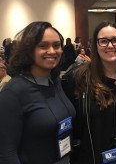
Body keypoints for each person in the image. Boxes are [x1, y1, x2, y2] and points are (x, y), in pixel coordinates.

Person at [62, 20, 116, 164]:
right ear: (95, 45)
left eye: (115, 40)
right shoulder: (77, 78)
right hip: (89, 158)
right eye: (103, 41)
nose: (110, 45)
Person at [0, 21, 76, 164]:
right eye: (43, 46)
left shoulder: (56, 82)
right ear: (29, 50)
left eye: (56, 45)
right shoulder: (13, 93)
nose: (52, 51)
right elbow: (6, 154)